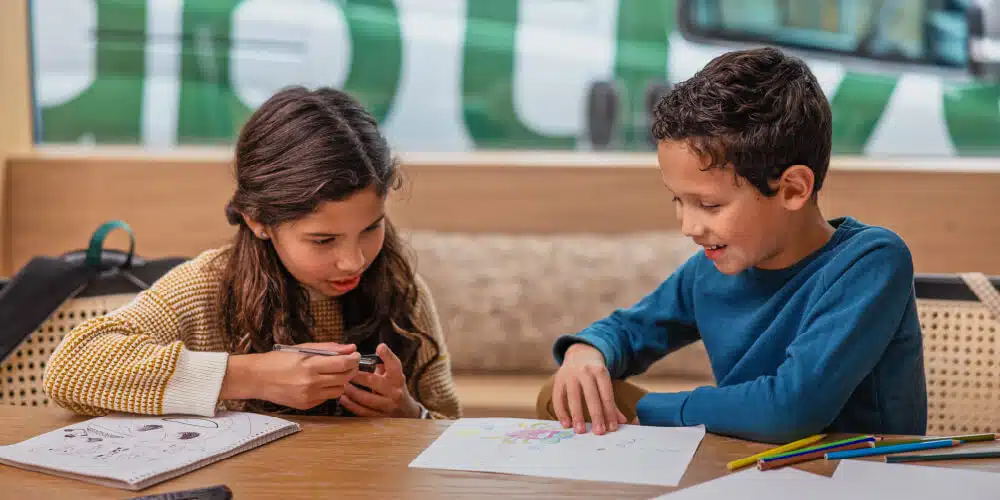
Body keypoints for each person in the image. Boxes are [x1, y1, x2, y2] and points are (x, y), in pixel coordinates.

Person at [536, 47, 927, 444]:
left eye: (709, 204)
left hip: (861, 476)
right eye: (678, 200)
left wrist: (649, 410)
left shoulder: (873, 262)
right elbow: (629, 329)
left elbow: (790, 409)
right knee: (559, 393)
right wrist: (587, 352)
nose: (689, 226)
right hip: (745, 471)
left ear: (792, 189)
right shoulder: (710, 268)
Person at [44, 86, 461, 420]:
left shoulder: (403, 291)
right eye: (323, 240)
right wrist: (246, 376)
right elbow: (70, 369)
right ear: (257, 220)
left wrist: (407, 411)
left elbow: (448, 424)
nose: (353, 261)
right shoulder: (207, 286)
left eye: (371, 228)